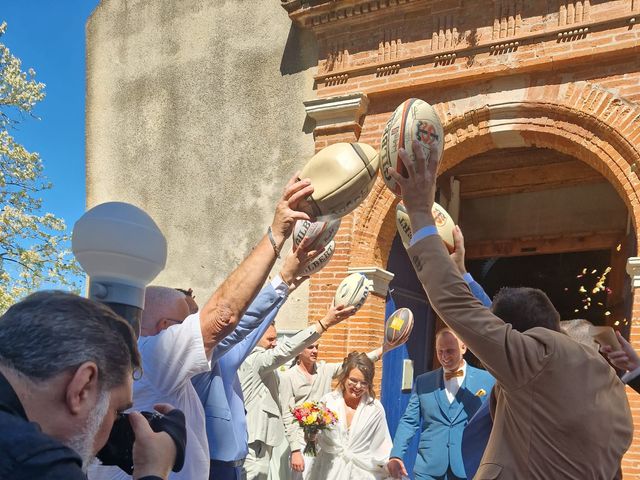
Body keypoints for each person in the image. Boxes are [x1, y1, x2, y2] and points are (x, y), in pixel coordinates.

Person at [389, 139, 633, 478]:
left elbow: (457, 306)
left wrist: (418, 212)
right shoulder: (610, 389)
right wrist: (464, 274)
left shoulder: (536, 358)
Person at [90, 175, 315, 480]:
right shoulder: (153, 358)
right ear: (165, 328)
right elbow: (224, 317)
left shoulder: (131, 358)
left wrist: (285, 281)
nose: (197, 328)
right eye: (186, 321)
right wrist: (276, 237)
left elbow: (232, 329)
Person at [0, 291, 179, 479]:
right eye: (117, 412)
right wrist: (152, 471)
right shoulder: (34, 463)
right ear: (82, 387)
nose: (113, 430)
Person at [192, 242, 317, 480]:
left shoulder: (224, 358)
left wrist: (285, 290)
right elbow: (238, 324)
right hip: (214, 466)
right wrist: (282, 280)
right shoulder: (198, 357)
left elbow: (247, 327)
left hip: (234, 465)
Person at [239, 301, 357, 480]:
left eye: (275, 338)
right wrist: (324, 323)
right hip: (256, 446)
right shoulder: (256, 360)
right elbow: (284, 352)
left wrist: (383, 350)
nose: (275, 343)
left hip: (267, 444)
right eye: (270, 339)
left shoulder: (269, 367)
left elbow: (347, 368)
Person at [387, 328, 494, 480]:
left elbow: (495, 422)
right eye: (440, 351)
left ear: (464, 347)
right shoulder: (423, 381)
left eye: (450, 351)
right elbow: (409, 421)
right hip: (428, 468)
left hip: (468, 467)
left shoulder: (487, 381)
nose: (444, 357)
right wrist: (396, 455)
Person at [278, 342, 384, 479]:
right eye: (310, 347)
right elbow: (287, 414)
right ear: (298, 350)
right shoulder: (288, 377)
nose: (315, 351)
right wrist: (295, 450)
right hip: (301, 440)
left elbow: (354, 365)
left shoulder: (325, 370)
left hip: (324, 442)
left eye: (317, 347)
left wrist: (384, 349)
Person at [305, 352, 392, 480]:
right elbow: (313, 441)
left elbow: (382, 445)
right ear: (344, 377)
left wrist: (391, 465)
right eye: (353, 380)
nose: (358, 386)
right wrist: (311, 435)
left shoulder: (375, 409)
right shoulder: (328, 402)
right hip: (327, 471)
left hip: (360, 472)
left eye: (364, 383)